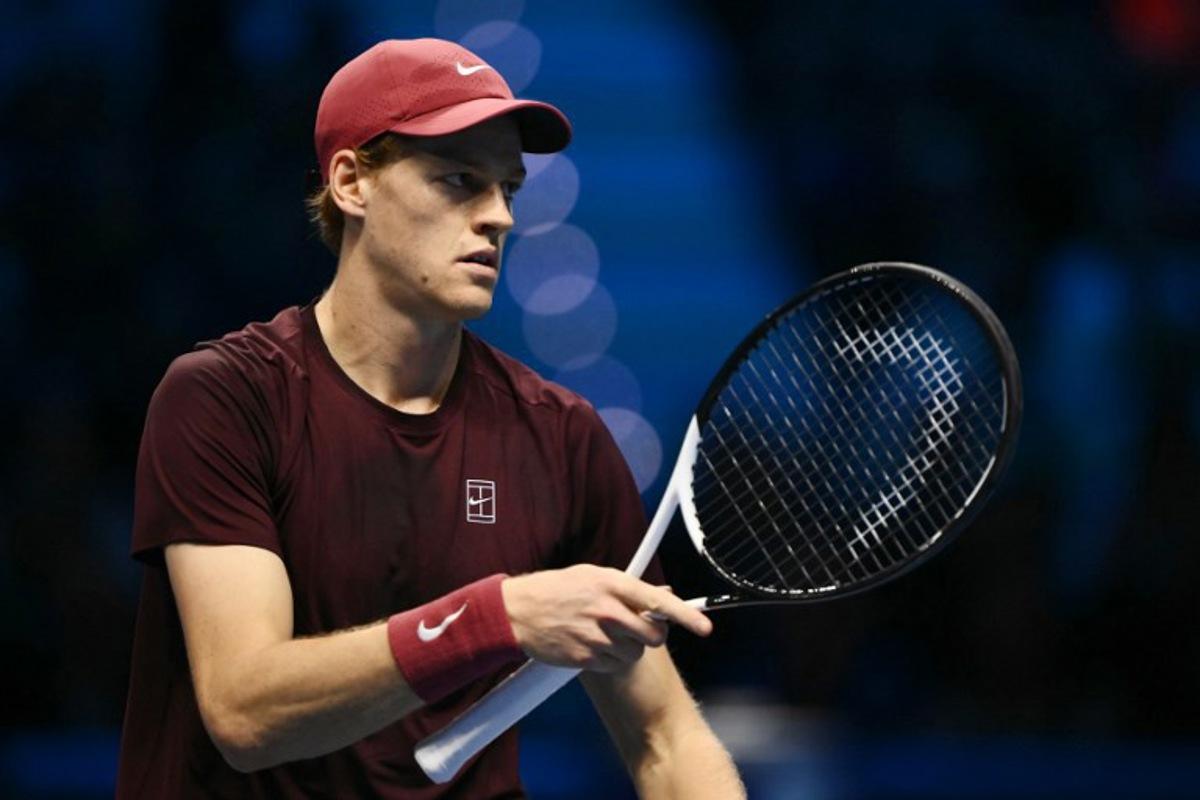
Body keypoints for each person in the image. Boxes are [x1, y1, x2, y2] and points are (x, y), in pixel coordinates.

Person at [116, 38, 745, 799]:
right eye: (458, 182)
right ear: (352, 183)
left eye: (509, 189)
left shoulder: (560, 436)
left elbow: (664, 738)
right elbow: (247, 712)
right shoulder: (225, 399)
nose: (499, 218)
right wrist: (499, 616)